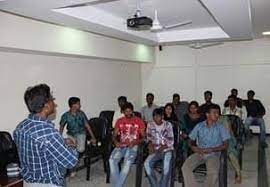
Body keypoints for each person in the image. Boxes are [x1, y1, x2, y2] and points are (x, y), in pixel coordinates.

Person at [13, 84, 78, 187]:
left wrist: (61, 141)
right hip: (47, 183)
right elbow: (71, 161)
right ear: (46, 106)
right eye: (52, 99)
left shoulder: (20, 127)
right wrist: (71, 145)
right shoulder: (49, 133)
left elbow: (40, 149)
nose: (55, 104)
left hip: (27, 182)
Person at [182, 104, 230, 187]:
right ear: (207, 114)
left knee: (213, 172)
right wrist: (193, 147)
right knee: (185, 167)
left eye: (218, 113)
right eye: (214, 113)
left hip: (213, 154)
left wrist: (212, 149)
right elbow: (190, 140)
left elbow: (226, 145)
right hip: (199, 152)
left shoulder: (220, 127)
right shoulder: (199, 126)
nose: (217, 115)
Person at [109, 102, 145, 187]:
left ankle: (117, 185)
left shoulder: (139, 121)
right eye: (126, 111)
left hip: (134, 145)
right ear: (123, 112)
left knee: (127, 162)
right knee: (111, 160)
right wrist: (116, 142)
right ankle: (119, 185)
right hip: (121, 145)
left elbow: (144, 138)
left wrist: (135, 142)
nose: (128, 113)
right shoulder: (119, 121)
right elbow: (114, 135)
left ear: (132, 111)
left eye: (130, 111)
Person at [59, 97, 97, 177]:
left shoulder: (81, 113)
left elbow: (87, 125)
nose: (80, 105)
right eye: (78, 103)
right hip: (71, 134)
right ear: (73, 105)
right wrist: (59, 137)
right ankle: (73, 168)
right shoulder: (65, 115)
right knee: (71, 150)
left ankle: (78, 156)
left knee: (80, 149)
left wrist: (93, 137)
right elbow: (62, 126)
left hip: (81, 133)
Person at [144, 108, 174, 187]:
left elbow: (171, 141)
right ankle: (155, 185)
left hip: (167, 149)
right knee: (146, 164)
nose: (156, 118)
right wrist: (150, 145)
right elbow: (148, 138)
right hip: (155, 149)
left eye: (158, 116)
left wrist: (162, 147)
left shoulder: (168, 125)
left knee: (166, 165)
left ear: (162, 116)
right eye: (154, 116)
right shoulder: (150, 125)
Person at [218, 116, 241, 184]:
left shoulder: (224, 120)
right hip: (214, 142)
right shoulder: (204, 122)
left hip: (227, 140)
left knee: (231, 152)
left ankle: (238, 174)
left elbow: (227, 134)